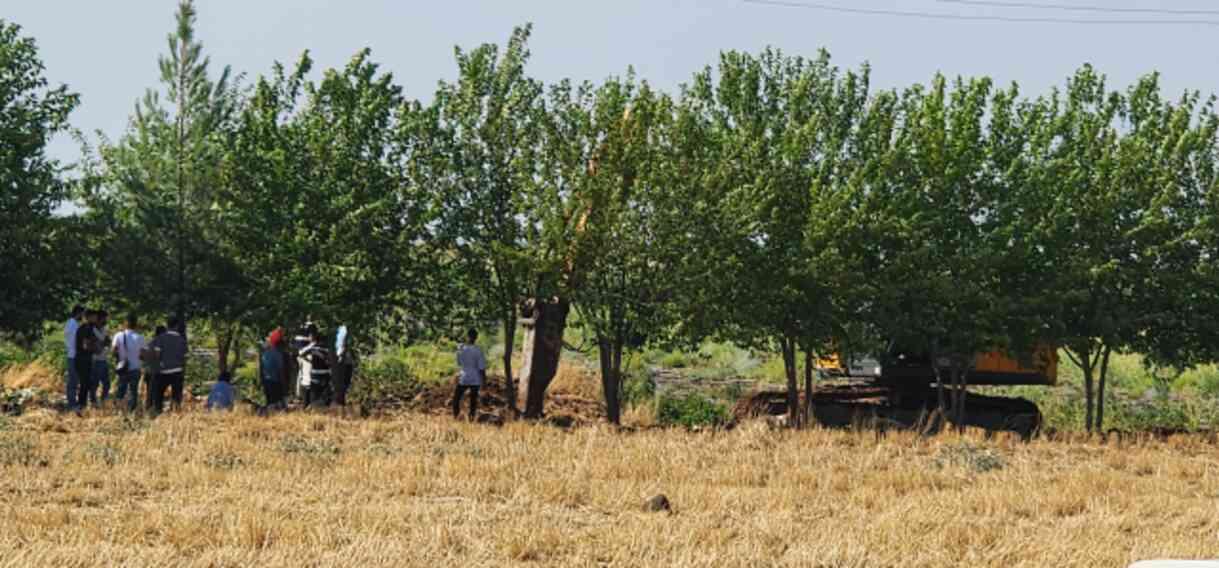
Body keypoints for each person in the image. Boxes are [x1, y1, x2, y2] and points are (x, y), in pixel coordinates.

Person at [149, 317, 187, 416]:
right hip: (177, 371)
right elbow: (183, 357)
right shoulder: (181, 339)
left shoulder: (160, 338)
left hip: (163, 371)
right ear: (177, 326)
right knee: (176, 397)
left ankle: (158, 413)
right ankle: (175, 414)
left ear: (167, 325)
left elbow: (157, 355)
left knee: (158, 395)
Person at [111, 314, 145, 412]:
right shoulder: (140, 337)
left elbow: (113, 351)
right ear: (136, 324)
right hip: (135, 368)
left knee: (121, 390)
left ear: (125, 323)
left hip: (123, 368)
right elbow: (143, 355)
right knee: (133, 391)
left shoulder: (118, 335)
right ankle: (131, 412)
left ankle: (118, 410)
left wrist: (120, 359)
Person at [452, 328, 486, 420]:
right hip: (475, 378)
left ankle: (456, 417)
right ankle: (471, 418)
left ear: (467, 336)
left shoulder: (461, 349)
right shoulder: (478, 350)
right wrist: (484, 381)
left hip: (464, 377)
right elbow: (482, 368)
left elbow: (459, 363)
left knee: (456, 398)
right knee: (473, 400)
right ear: (476, 337)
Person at [73, 310, 101, 414]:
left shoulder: (88, 328)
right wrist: (96, 348)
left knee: (88, 382)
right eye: (94, 317)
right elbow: (85, 345)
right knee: (85, 383)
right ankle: (80, 406)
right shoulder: (86, 328)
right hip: (82, 359)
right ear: (88, 317)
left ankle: (84, 406)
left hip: (86, 359)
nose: (96, 319)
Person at [299, 328, 333, 408]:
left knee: (314, 397)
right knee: (324, 396)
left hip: (315, 374)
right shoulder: (327, 348)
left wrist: (308, 360)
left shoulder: (313, 348)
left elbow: (301, 353)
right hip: (325, 374)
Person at [260, 328, 286, 411]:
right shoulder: (278, 354)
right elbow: (280, 370)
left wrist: (262, 381)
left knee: (269, 403)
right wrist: (283, 383)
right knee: (276, 405)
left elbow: (261, 368)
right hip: (275, 382)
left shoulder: (265, 352)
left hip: (266, 381)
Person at [63, 305, 84, 410]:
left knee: (73, 380)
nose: (82, 316)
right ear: (78, 313)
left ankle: (72, 402)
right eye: (82, 314)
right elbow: (77, 341)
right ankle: (72, 403)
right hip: (74, 355)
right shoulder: (74, 324)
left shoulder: (69, 323)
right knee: (73, 380)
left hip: (71, 354)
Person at [141, 325, 166, 412]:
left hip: (148, 370)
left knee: (150, 391)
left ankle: (148, 408)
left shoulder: (149, 342)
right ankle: (156, 410)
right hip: (157, 371)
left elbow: (142, 356)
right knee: (157, 392)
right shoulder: (160, 342)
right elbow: (159, 356)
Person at [91, 310, 112, 406]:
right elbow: (96, 346)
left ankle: (103, 402)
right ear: (100, 318)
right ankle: (93, 402)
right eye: (105, 318)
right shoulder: (92, 330)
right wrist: (103, 343)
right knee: (94, 383)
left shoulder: (105, 329)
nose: (106, 320)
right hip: (95, 360)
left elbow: (107, 342)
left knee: (107, 384)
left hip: (104, 359)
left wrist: (102, 344)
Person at [332, 325, 355, 406]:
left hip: (345, 360)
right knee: (343, 383)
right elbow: (343, 345)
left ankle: (341, 401)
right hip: (343, 360)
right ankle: (340, 401)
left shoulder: (342, 328)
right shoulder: (343, 329)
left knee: (344, 384)